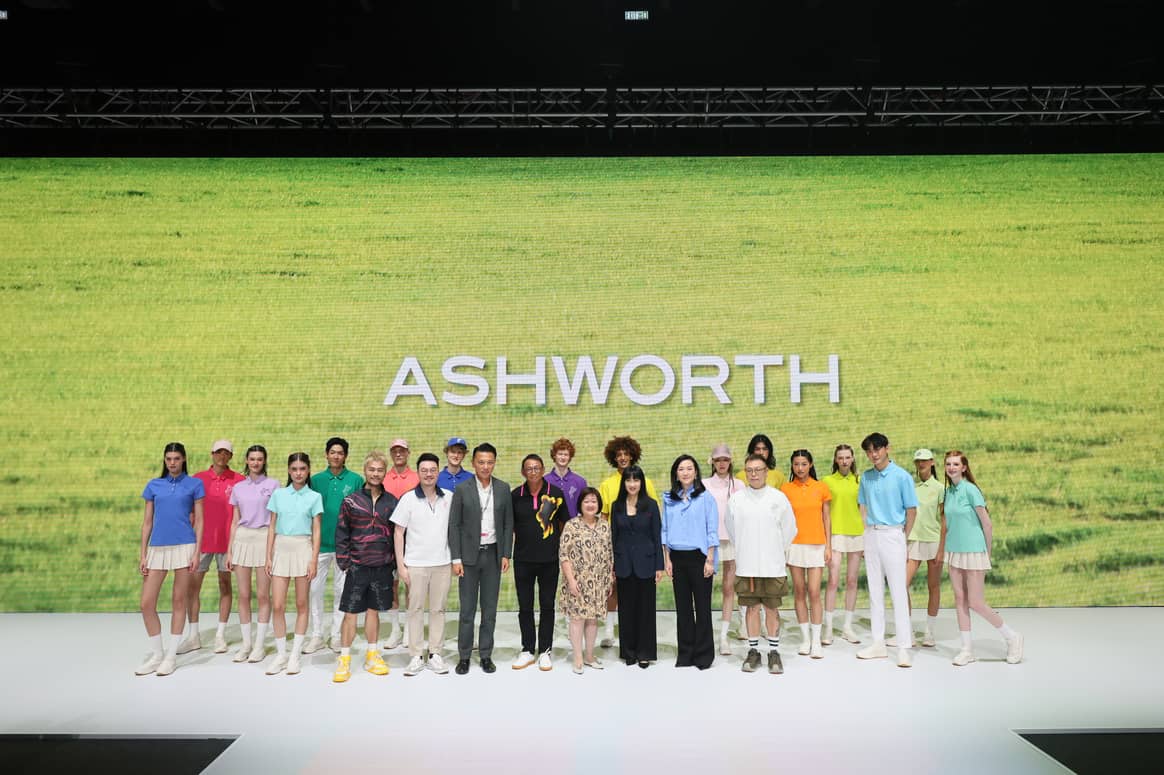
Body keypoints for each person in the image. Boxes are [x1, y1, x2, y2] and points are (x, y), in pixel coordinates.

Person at [943, 450, 1023, 666]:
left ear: (964, 467)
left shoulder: (971, 490)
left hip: (974, 552)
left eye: (955, 464)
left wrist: (987, 554)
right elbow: (948, 525)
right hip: (954, 552)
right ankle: (967, 649)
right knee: (960, 600)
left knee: (976, 602)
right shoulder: (947, 492)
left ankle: (1012, 636)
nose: (951, 467)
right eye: (948, 464)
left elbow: (987, 524)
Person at [135, 443, 204, 676]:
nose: (172, 462)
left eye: (176, 458)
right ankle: (157, 654)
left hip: (185, 546)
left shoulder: (194, 484)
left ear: (184, 459)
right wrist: (143, 553)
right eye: (168, 459)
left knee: (178, 601)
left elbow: (201, 521)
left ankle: (171, 656)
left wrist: (197, 552)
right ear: (164, 460)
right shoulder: (154, 485)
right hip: (157, 548)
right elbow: (147, 523)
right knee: (146, 603)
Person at [727, 453, 798, 674]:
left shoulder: (778, 498)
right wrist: (746, 549)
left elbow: (789, 530)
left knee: (771, 609)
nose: (754, 474)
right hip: (747, 565)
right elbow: (732, 530)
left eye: (758, 469)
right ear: (745, 473)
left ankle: (774, 652)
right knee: (751, 608)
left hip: (772, 565)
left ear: (767, 471)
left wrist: (775, 550)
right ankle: (753, 651)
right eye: (750, 470)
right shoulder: (737, 500)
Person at [448, 442, 514, 675]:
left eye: (489, 462)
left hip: (494, 556)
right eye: (481, 462)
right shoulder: (463, 489)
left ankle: (485, 654)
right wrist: (455, 558)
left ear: (494, 463)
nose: (485, 466)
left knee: (489, 609)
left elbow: (508, 524)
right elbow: (454, 525)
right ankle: (464, 655)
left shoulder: (503, 488)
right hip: (468, 558)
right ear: (473, 463)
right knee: (467, 610)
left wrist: (506, 553)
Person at [332, 450, 398, 682]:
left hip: (381, 567)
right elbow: (342, 533)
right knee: (350, 613)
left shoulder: (392, 502)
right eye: (372, 469)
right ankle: (345, 658)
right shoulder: (351, 500)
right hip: (357, 567)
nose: (375, 473)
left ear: (384, 472)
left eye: (380, 470)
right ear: (365, 471)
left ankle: (372, 655)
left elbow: (396, 535)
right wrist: (345, 563)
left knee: (373, 611)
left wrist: (393, 562)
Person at [855, 433, 917, 668]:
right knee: (875, 591)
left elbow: (911, 511)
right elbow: (863, 506)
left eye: (877, 449)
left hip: (893, 534)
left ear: (887, 448)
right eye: (869, 451)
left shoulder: (902, 476)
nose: (873, 454)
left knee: (898, 592)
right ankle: (878, 643)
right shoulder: (866, 477)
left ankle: (903, 648)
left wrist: (903, 535)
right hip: (871, 534)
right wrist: (865, 531)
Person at [392, 452, 454, 676]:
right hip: (415, 565)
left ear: (439, 472)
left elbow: (454, 530)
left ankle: (435, 653)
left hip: (442, 563)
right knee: (415, 609)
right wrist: (401, 565)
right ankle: (416, 655)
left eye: (433, 470)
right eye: (424, 470)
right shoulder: (408, 498)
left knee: (438, 609)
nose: (428, 474)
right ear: (418, 473)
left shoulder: (449, 497)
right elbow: (398, 532)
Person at [182, 440, 245, 655]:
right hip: (201, 542)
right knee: (193, 587)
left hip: (228, 544)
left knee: (225, 585)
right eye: (218, 452)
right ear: (212, 454)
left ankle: (220, 635)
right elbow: (190, 510)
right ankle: (193, 635)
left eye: (226, 453)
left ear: (231, 456)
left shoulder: (239, 480)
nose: (222, 456)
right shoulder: (198, 479)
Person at [597, 435, 659, 648]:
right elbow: (605, 518)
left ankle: (643, 648)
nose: (623, 458)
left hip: (643, 554)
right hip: (621, 550)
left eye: (626, 454)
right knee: (614, 592)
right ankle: (610, 631)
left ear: (633, 455)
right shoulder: (607, 485)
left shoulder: (646, 482)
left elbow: (654, 520)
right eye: (619, 455)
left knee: (643, 602)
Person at [265, 452, 323, 675]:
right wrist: (268, 556)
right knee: (277, 604)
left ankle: (295, 655)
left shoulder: (314, 497)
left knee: (301, 604)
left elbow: (316, 530)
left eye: (302, 469)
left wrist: (314, 558)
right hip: (281, 548)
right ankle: (281, 655)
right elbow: (271, 526)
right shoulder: (278, 495)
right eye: (294, 469)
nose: (298, 473)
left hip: (303, 549)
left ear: (308, 471)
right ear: (289, 471)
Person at [305, 437, 363, 655]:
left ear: (345, 456)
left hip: (345, 546)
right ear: (326, 454)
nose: (336, 456)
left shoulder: (356, 480)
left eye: (340, 453)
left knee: (341, 591)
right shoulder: (316, 480)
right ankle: (317, 634)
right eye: (332, 452)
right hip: (319, 546)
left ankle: (337, 634)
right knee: (314, 590)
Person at [662, 454, 719, 670]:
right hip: (677, 558)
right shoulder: (669, 498)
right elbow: (665, 531)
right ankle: (685, 653)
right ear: (676, 473)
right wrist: (667, 560)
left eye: (689, 468)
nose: (685, 472)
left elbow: (711, 530)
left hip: (700, 558)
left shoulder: (706, 498)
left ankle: (704, 656)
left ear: (696, 472)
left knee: (702, 608)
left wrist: (710, 560)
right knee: (683, 609)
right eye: (681, 469)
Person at [510, 454, 566, 671]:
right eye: (528, 469)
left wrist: (554, 545)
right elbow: (510, 526)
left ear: (543, 470)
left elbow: (564, 523)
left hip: (549, 560)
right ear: (523, 472)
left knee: (547, 606)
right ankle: (527, 649)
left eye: (537, 468)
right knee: (525, 606)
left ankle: (545, 650)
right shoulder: (516, 495)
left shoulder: (556, 494)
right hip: (523, 560)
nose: (533, 472)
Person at [226, 445, 279, 663]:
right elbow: (234, 521)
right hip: (242, 540)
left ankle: (259, 646)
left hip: (264, 538)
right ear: (246, 461)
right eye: (252, 459)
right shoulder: (238, 487)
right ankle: (246, 643)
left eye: (259, 459)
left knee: (263, 595)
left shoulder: (273, 485)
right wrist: (230, 551)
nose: (255, 462)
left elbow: (276, 519)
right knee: (244, 595)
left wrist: (271, 549)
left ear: (264, 461)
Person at [780, 450, 832, 659]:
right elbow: (781, 521)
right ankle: (805, 639)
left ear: (810, 464)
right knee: (799, 591)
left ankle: (817, 640)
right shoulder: (785, 489)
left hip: (816, 545)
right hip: (794, 546)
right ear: (792, 466)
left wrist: (828, 546)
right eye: (796, 464)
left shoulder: (821, 488)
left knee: (814, 591)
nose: (800, 468)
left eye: (803, 464)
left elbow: (826, 518)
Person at [733, 433, 786, 639]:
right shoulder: (739, 476)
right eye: (758, 449)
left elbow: (786, 521)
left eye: (765, 449)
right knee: (748, 591)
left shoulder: (778, 476)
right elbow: (733, 520)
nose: (761, 452)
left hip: (770, 543)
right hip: (748, 543)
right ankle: (745, 627)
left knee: (769, 592)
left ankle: (768, 630)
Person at [610, 465, 663, 668]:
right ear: (624, 483)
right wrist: (612, 566)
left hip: (647, 564)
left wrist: (659, 565)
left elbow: (656, 536)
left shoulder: (650, 505)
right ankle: (629, 651)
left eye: (636, 480)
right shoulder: (616, 506)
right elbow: (614, 537)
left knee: (646, 610)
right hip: (623, 564)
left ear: (642, 482)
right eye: (629, 480)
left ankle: (645, 652)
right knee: (626, 609)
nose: (632, 484)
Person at [559, 488, 614, 674]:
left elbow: (610, 553)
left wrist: (608, 579)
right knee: (577, 619)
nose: (591, 505)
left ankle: (590, 656)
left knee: (592, 620)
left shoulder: (605, 525)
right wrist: (571, 580)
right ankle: (578, 657)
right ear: (580, 505)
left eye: (594, 501)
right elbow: (564, 555)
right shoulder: (571, 525)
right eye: (586, 501)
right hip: (577, 581)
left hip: (599, 582)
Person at [702, 443, 742, 656]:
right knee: (705, 590)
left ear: (730, 461)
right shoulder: (704, 484)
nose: (722, 464)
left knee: (729, 588)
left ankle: (724, 637)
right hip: (709, 543)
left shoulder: (739, 485)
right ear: (713, 463)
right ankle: (706, 634)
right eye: (718, 460)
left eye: (725, 460)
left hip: (732, 542)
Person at [822, 444, 863, 644]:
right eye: (841, 457)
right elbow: (825, 512)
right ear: (836, 460)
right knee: (833, 580)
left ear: (852, 459)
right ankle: (828, 628)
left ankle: (847, 626)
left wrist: (866, 538)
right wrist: (826, 542)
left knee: (852, 581)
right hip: (835, 535)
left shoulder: (859, 481)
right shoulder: (827, 481)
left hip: (857, 535)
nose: (845, 461)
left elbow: (863, 510)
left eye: (848, 457)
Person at [906, 448, 946, 648]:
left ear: (932, 463)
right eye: (918, 461)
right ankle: (907, 631)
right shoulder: (911, 487)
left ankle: (929, 632)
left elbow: (944, 519)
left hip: (933, 540)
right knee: (901, 584)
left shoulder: (940, 488)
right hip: (913, 540)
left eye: (924, 461)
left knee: (933, 586)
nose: (921, 464)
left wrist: (941, 548)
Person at [545, 437, 587, 519]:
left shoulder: (580, 482)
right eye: (560, 454)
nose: (563, 457)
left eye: (566, 454)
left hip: (574, 528)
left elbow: (584, 508)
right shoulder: (545, 481)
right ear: (554, 456)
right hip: (552, 528)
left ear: (570, 457)